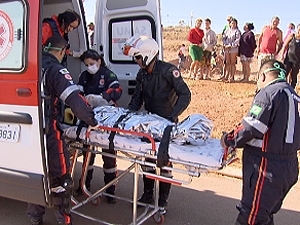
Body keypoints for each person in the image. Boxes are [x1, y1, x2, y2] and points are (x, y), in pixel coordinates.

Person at [27, 35, 98, 225]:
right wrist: (92, 120)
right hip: (49, 133)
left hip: (29, 131)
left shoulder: (29, 64)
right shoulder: (56, 70)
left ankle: (35, 219)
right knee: (61, 178)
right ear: (60, 52)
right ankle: (63, 220)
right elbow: (75, 101)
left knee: (35, 175)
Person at [220, 59, 299, 225]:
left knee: (250, 218)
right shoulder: (295, 96)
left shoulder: (268, 94)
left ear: (263, 75)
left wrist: (228, 139)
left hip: (266, 167)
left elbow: (250, 128)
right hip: (290, 167)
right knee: (265, 216)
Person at [122, 36, 191, 214]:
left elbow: (185, 94)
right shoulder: (142, 74)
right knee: (148, 160)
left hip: (167, 123)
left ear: (147, 55)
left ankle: (162, 201)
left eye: (137, 57)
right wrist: (128, 115)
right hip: (149, 124)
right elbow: (136, 99)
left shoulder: (169, 71)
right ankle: (147, 195)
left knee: (165, 162)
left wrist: (172, 115)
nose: (135, 61)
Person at [74, 49, 122, 203]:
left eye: (92, 63)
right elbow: (78, 93)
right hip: (89, 119)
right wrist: (84, 100)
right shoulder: (84, 76)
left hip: (107, 119)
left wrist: (102, 98)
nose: (89, 67)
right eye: (87, 64)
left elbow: (117, 90)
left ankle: (110, 190)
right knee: (88, 153)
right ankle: (84, 185)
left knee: (109, 156)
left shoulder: (108, 74)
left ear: (99, 61)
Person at [279, 23, 300, 88]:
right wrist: (282, 55)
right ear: (297, 29)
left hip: (297, 61)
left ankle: (291, 90)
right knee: (284, 74)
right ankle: (281, 87)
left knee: (294, 77)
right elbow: (285, 46)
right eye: (299, 29)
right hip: (288, 59)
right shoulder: (292, 36)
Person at [222, 18, 241, 82]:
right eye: (232, 23)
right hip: (227, 48)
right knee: (227, 63)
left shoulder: (237, 31)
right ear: (230, 24)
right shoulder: (227, 31)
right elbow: (224, 38)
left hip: (233, 49)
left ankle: (232, 77)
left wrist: (231, 45)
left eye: (234, 23)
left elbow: (237, 40)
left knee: (232, 63)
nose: (233, 24)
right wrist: (225, 44)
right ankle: (226, 76)